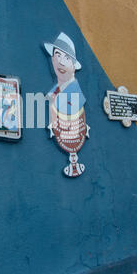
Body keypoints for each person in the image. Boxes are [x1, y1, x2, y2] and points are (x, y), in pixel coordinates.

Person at [44, 32, 90, 178]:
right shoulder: (53, 94)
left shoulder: (75, 96)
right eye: (57, 55)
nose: (61, 62)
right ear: (52, 59)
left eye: (66, 58)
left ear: (73, 66)